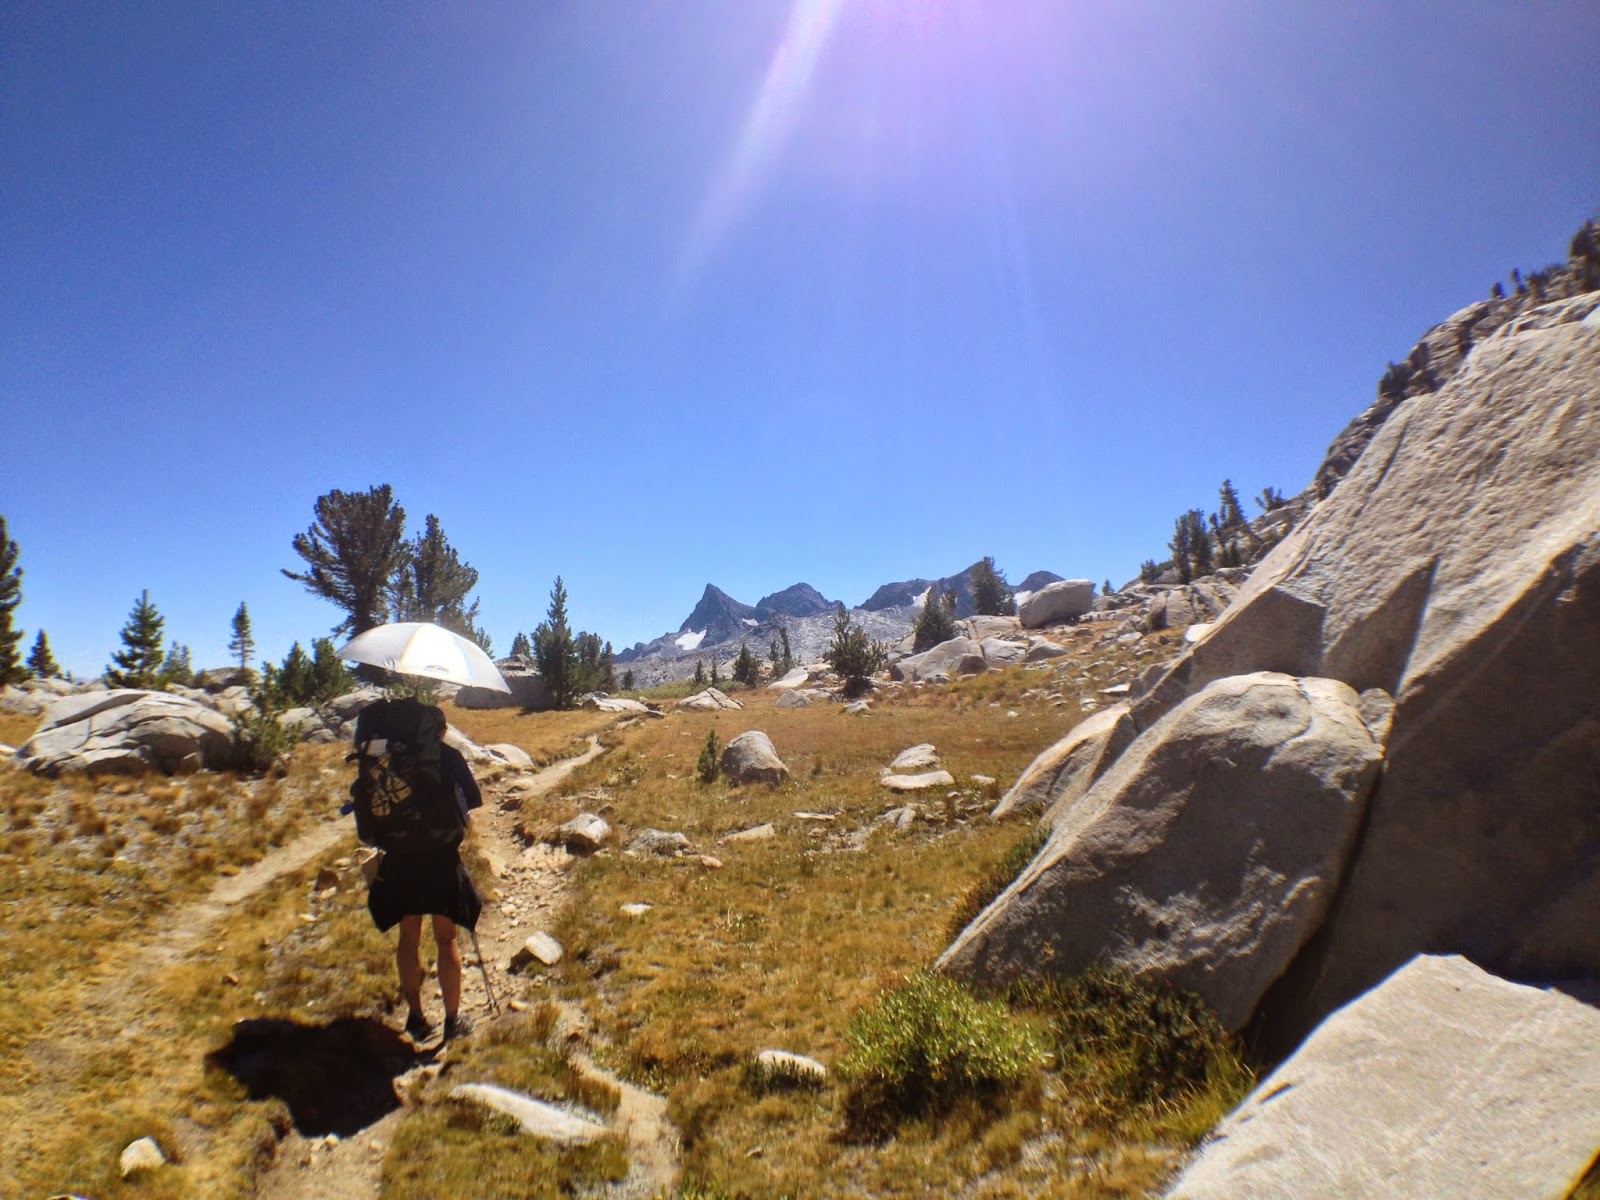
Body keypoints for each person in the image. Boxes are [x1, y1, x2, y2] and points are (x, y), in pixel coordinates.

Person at [364, 705, 484, 1043]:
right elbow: (472, 802)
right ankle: (452, 1020)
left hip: (399, 859)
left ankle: (415, 1017)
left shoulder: (388, 758)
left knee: (409, 938)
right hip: (440, 859)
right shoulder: (448, 756)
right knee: (446, 939)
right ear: (439, 731)